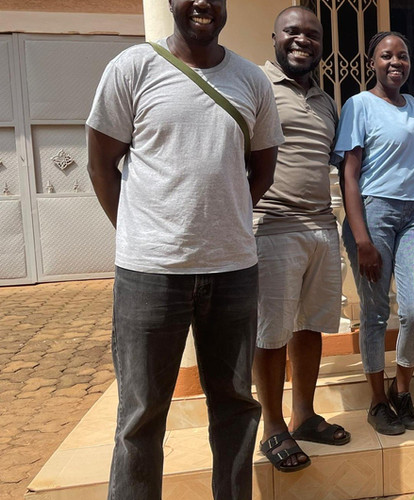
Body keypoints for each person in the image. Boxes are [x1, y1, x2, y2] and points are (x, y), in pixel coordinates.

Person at [86, 0, 283, 497]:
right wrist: (141, 232)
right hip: (149, 274)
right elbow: (100, 165)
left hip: (233, 270)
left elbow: (262, 170)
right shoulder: (132, 68)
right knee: (141, 414)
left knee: (236, 405)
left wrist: (220, 222)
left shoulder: (251, 81)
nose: (202, 3)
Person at [252, 6, 350, 473]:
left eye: (311, 34)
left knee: (309, 326)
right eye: (292, 32)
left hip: (321, 227)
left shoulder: (326, 100)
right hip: (272, 226)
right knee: (271, 332)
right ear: (274, 37)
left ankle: (304, 415)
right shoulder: (256, 86)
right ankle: (273, 425)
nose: (302, 40)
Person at [336, 31, 414, 436]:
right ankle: (377, 400)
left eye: (403, 56)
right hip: (374, 212)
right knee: (376, 312)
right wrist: (362, 240)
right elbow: (349, 174)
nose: (396, 62)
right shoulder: (359, 104)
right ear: (372, 62)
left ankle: (401, 390)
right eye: (387, 56)